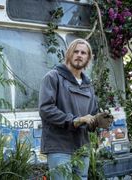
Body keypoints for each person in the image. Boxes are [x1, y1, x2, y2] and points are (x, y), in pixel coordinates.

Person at [38, 38, 113, 179]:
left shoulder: (88, 85)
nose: (79, 55)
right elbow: (46, 109)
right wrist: (75, 120)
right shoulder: (53, 77)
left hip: (82, 146)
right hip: (59, 146)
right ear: (69, 55)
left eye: (83, 53)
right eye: (76, 51)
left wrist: (98, 121)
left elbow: (91, 115)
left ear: (88, 58)